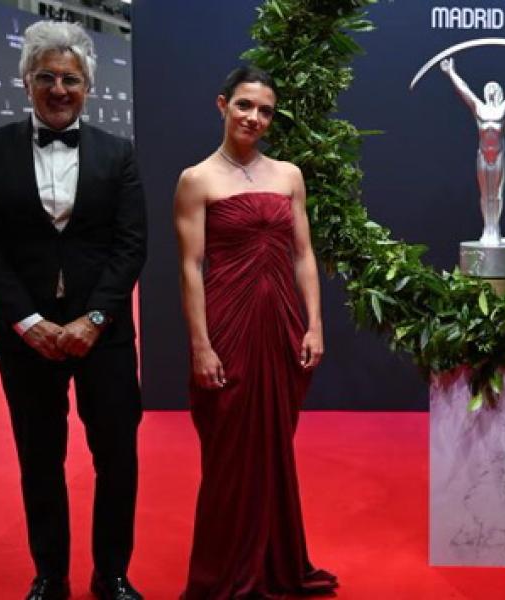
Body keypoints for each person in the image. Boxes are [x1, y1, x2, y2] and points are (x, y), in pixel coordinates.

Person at [0, 21, 147, 600]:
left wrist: (94, 319)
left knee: (117, 457)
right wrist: (30, 322)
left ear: (88, 86)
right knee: (40, 459)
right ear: (26, 83)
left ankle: (112, 574)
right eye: (47, 77)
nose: (59, 88)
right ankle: (51, 576)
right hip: (25, 339)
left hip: (105, 336)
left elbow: (130, 244)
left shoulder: (118, 155)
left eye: (71, 78)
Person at [174, 66, 337, 599]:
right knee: (228, 457)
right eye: (245, 105)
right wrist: (200, 344)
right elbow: (191, 267)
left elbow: (305, 254)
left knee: (273, 451)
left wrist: (314, 323)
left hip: (281, 327)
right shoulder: (197, 179)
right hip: (227, 326)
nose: (254, 118)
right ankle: (223, 577)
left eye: (265, 110)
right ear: (223, 104)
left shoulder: (288, 174)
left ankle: (273, 564)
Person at [439, 56, 505, 245]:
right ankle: (486, 228)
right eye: (488, 89)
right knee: (485, 194)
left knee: (496, 194)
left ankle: (494, 228)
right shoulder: (478, 107)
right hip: (483, 155)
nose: (491, 92)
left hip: (498, 155)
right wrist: (450, 72)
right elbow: (465, 90)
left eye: (494, 89)